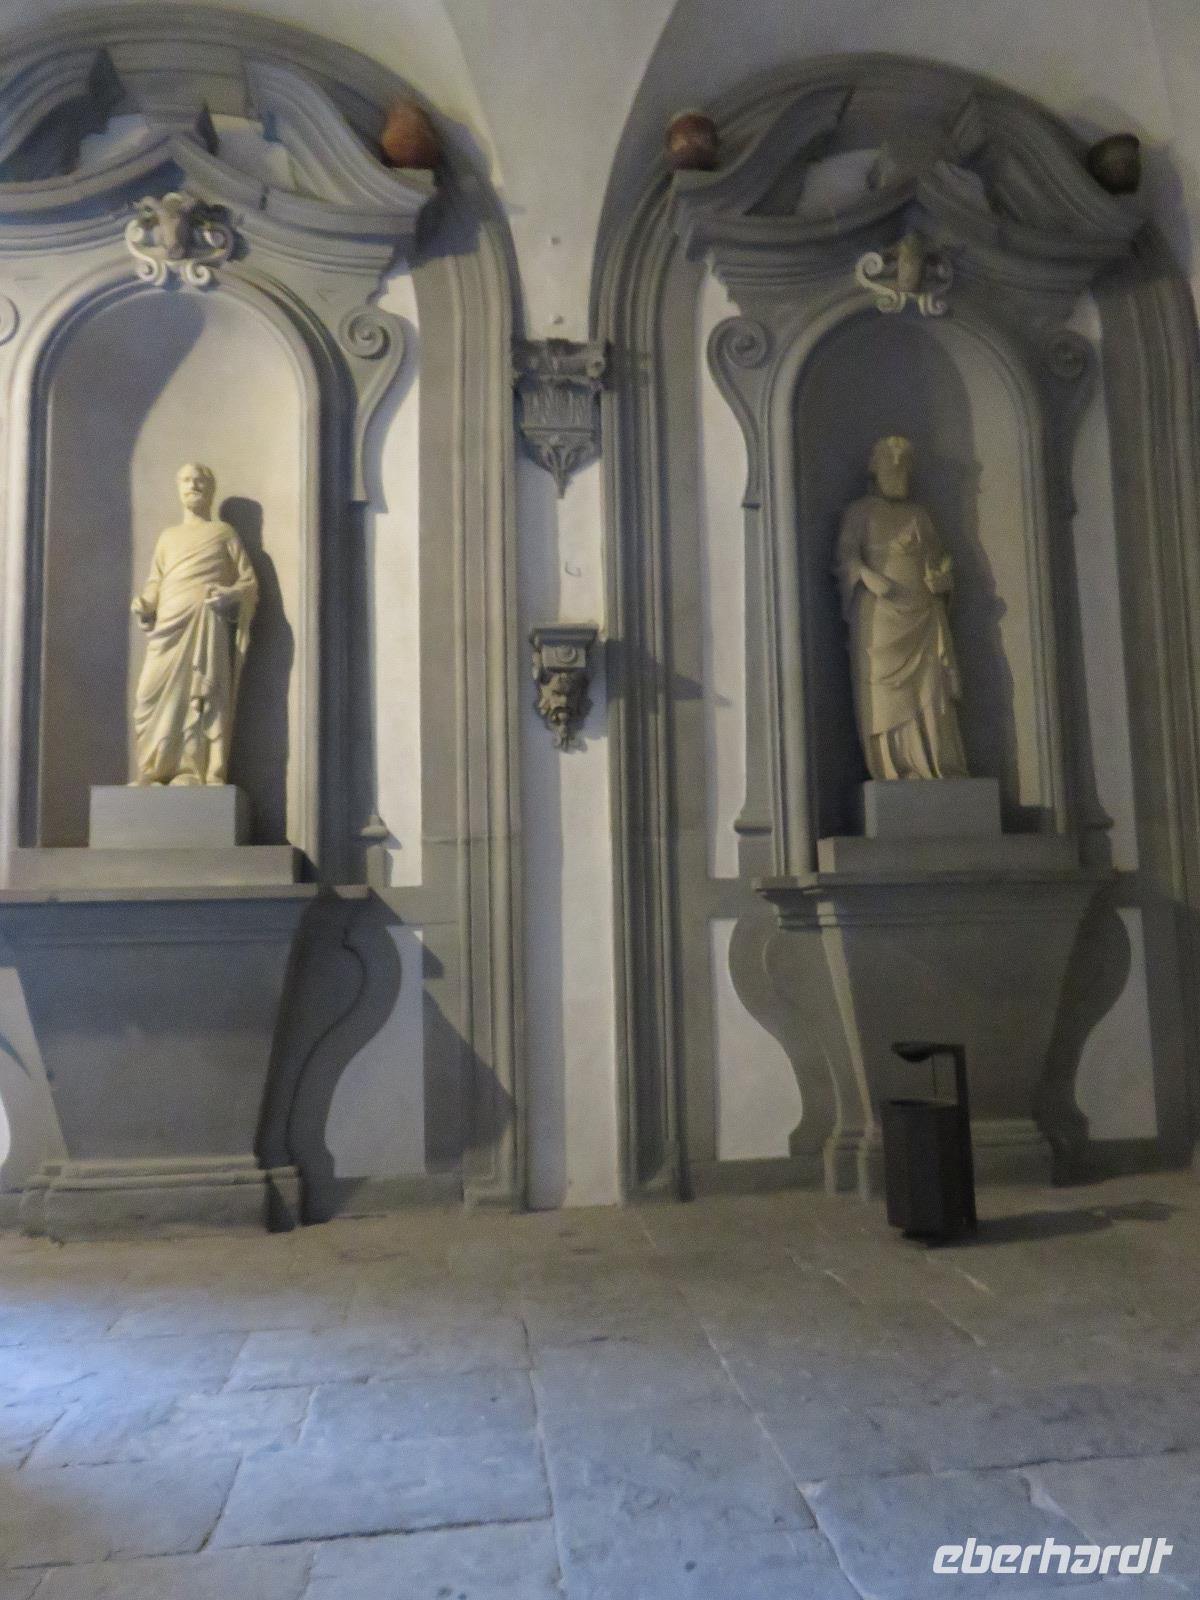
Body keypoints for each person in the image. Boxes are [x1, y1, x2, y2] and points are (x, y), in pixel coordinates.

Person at [835, 435, 968, 781]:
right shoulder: (860, 513)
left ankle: (937, 764)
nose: (898, 471)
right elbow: (845, 557)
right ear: (875, 468)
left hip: (923, 615)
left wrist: (942, 580)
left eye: (904, 467)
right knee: (885, 694)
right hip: (881, 618)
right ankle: (894, 767)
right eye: (891, 464)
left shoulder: (919, 516)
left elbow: (939, 560)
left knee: (931, 691)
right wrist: (866, 575)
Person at [130, 463, 258, 786]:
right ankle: (156, 767)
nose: (193, 485)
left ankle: (192, 770)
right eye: (187, 480)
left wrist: (230, 595)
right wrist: (146, 603)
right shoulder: (168, 537)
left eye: (200, 480)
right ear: (178, 488)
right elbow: (156, 580)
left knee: (202, 693)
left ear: (211, 489)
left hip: (205, 622)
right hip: (168, 626)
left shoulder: (224, 533)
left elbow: (249, 583)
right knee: (148, 695)